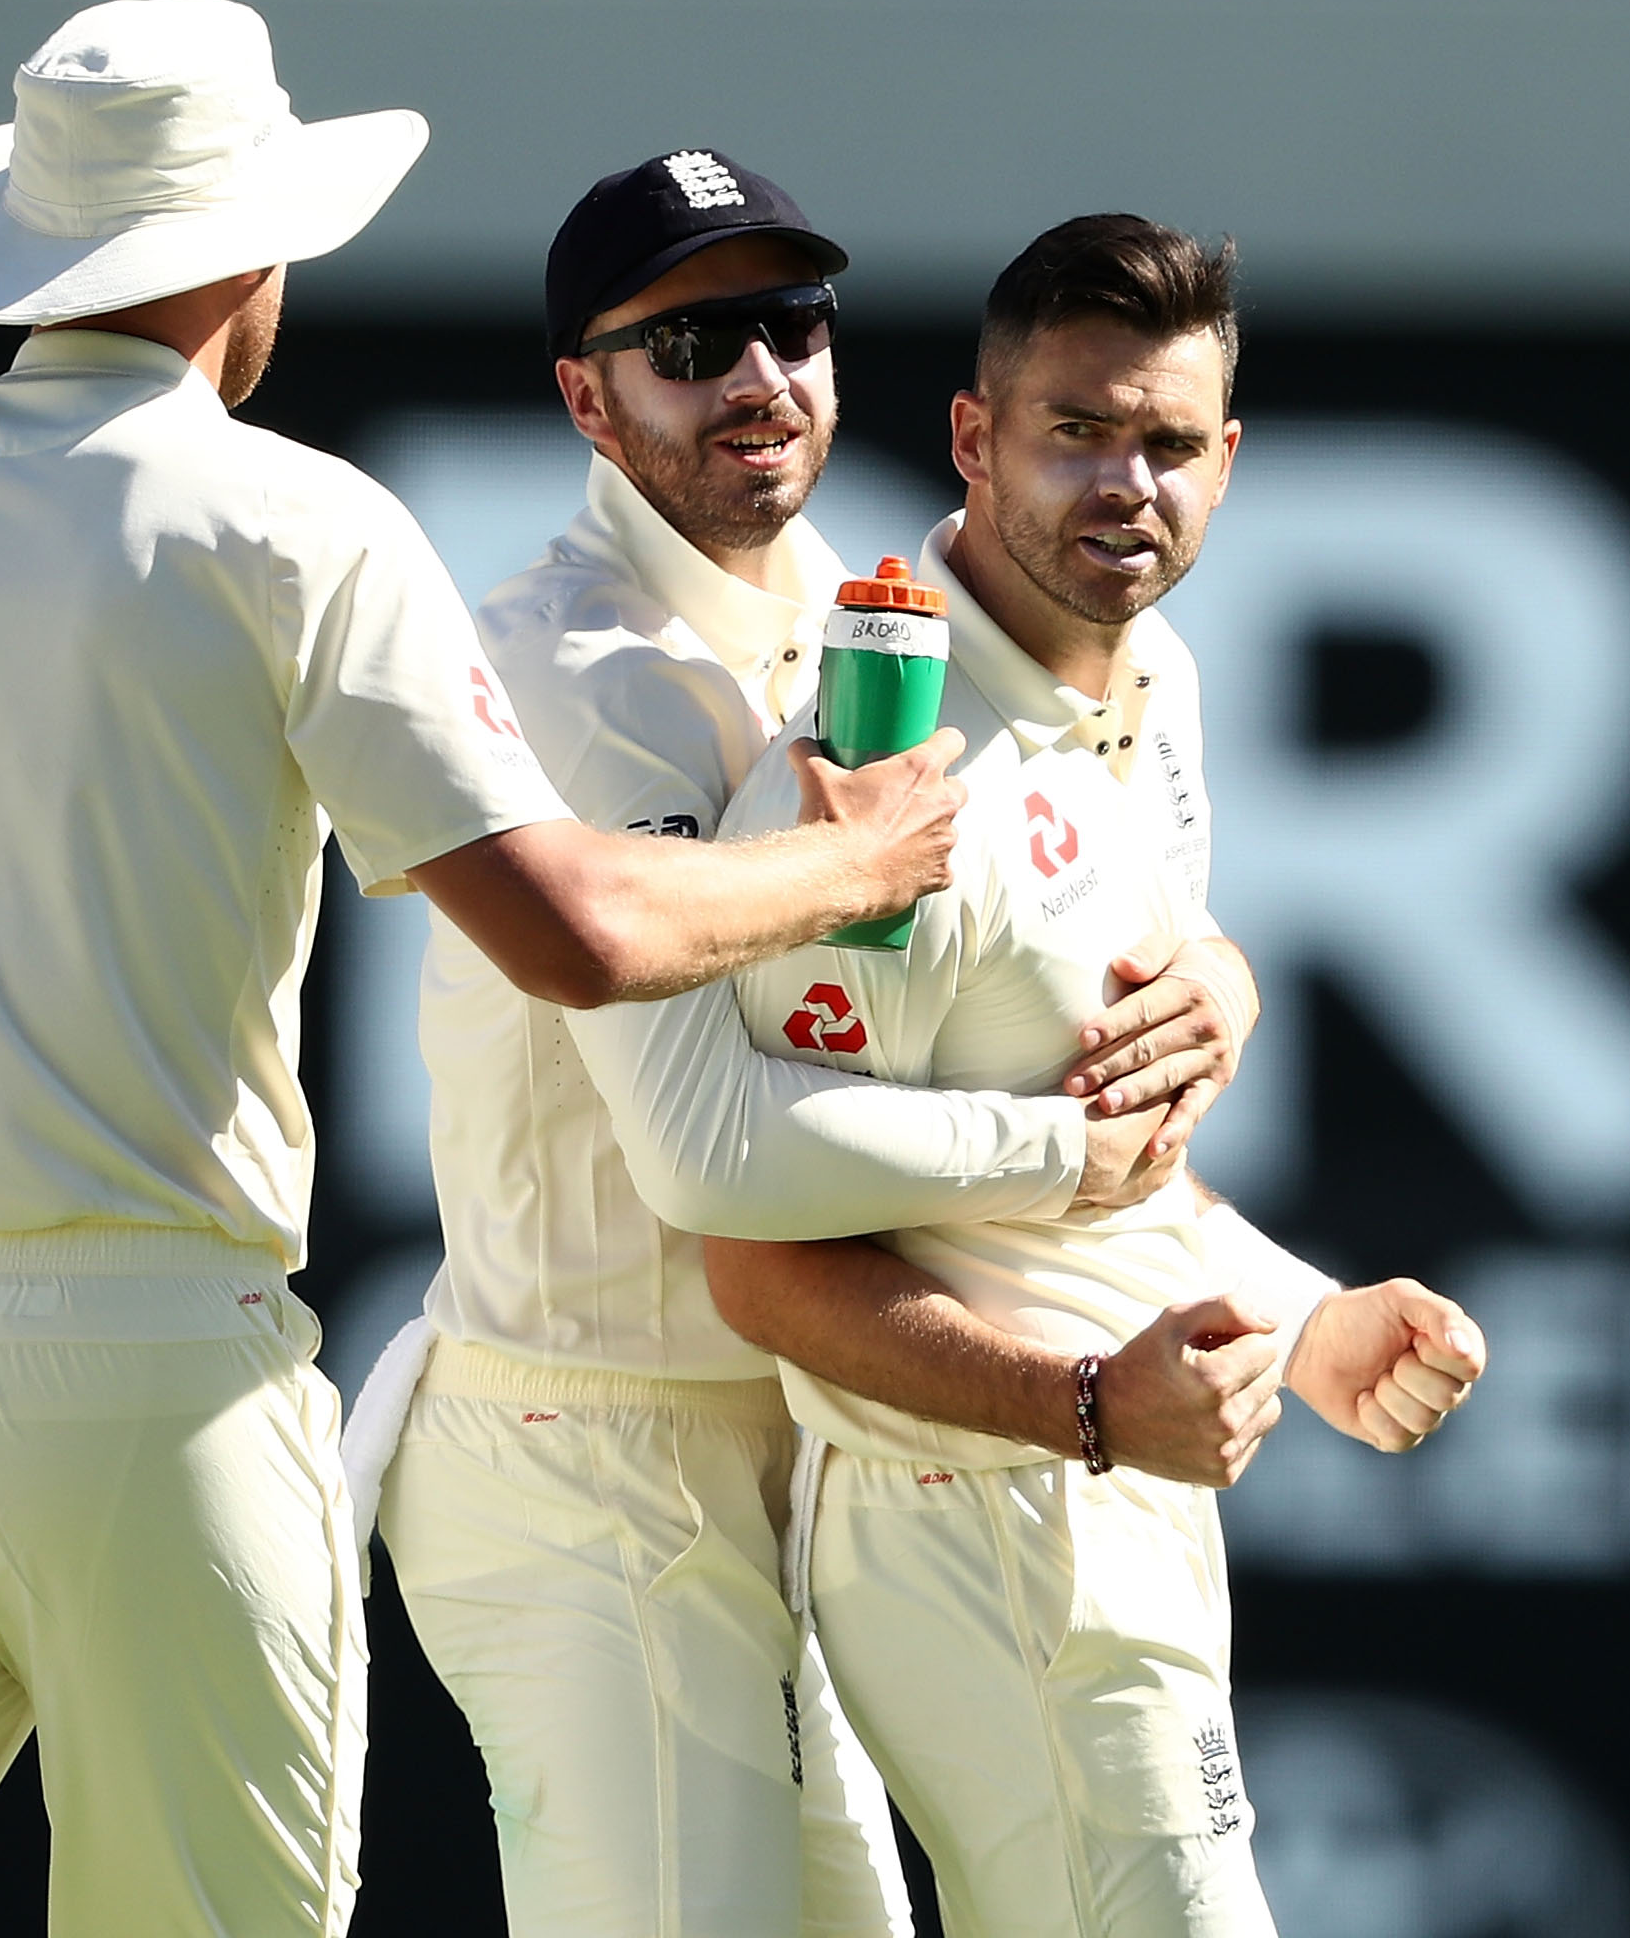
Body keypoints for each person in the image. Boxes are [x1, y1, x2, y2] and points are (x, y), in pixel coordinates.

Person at [0, 0, 1009, 1938]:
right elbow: (585, 932)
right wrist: (854, 854)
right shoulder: (293, 519)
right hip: (136, 1365)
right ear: (244, 257)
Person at [371, 154, 1274, 1938]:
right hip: (587, 1443)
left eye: (788, 324)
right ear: (582, 398)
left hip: (812, 1433)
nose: (759, 379)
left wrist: (1214, 977)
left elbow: (1054, 880)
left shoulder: (859, 615)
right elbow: (709, 1156)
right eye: (690, 343)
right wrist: (1063, 1150)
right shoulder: (570, 663)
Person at [696, 215, 1485, 1936]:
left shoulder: (1157, 684)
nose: (1122, 482)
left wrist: (1299, 1315)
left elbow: (1117, 1161)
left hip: (1107, 1499)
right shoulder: (880, 773)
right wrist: (1075, 1411)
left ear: (1228, 462)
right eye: (1074, 430)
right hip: (968, 1517)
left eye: (1166, 443)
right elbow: (763, 1256)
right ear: (973, 439)